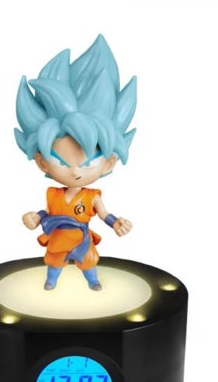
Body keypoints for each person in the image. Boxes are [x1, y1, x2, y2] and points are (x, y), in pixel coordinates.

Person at [14, 35, 137, 290]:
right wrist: (35, 217)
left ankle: (93, 281)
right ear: (42, 162)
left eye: (88, 163)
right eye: (61, 162)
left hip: (81, 239)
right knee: (55, 260)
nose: (75, 171)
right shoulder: (53, 194)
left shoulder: (92, 197)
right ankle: (51, 280)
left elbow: (104, 214)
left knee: (88, 261)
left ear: (108, 163)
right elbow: (47, 212)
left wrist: (116, 222)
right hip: (59, 237)